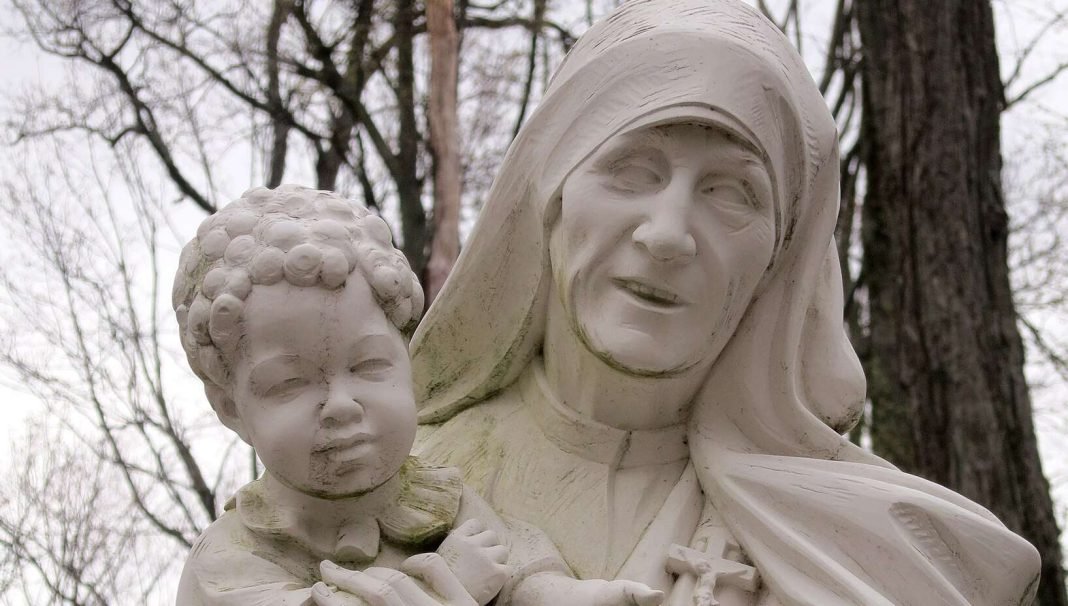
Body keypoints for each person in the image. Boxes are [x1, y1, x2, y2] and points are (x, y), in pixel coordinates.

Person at [411, 1, 1042, 605]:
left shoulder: (892, 555)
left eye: (732, 193)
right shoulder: (386, 480)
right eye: (632, 170)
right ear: (549, 196)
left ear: (780, 258)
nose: (667, 234)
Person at [172, 186, 661, 606]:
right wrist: (448, 582)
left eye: (369, 366)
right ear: (230, 409)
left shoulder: (437, 501)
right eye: (289, 384)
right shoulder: (230, 561)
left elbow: (521, 572)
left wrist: (579, 596)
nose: (341, 404)